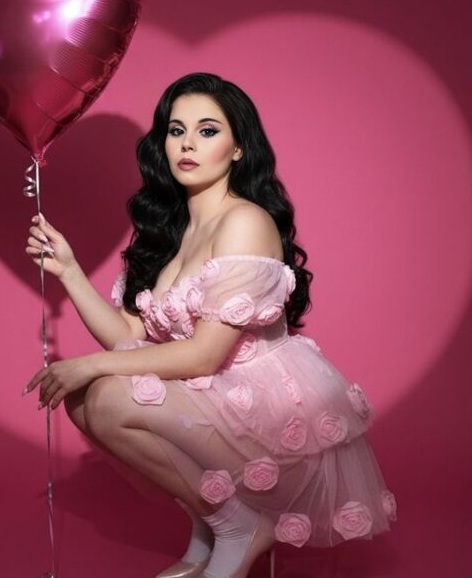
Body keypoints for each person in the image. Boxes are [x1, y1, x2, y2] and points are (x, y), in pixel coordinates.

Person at [22, 73, 396, 578]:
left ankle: (239, 527)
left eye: (207, 130)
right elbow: (129, 339)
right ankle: (222, 522)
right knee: (84, 399)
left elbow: (204, 356)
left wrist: (87, 365)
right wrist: (69, 271)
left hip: (253, 400)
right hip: (204, 390)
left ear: (238, 148)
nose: (187, 144)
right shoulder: (168, 227)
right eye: (176, 131)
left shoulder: (245, 221)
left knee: (103, 393)